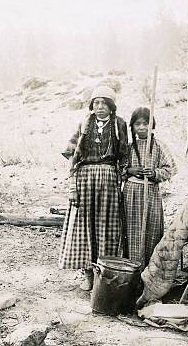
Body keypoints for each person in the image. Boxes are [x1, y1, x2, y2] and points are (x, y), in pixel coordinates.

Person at [58, 85, 128, 291]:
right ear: (91, 105)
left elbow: (124, 154)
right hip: (85, 178)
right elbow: (70, 153)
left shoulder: (119, 124)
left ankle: (103, 273)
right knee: (83, 225)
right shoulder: (84, 124)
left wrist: (121, 178)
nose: (100, 107)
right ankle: (87, 272)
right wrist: (74, 181)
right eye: (96, 103)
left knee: (106, 226)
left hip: (108, 178)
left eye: (104, 103)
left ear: (111, 107)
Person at [123, 107, 177, 267]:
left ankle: (150, 270)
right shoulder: (128, 147)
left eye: (145, 123)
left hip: (151, 194)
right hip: (131, 194)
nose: (141, 127)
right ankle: (132, 270)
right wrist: (130, 170)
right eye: (137, 124)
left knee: (151, 230)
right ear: (132, 126)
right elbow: (119, 169)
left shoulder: (159, 146)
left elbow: (171, 169)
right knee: (131, 231)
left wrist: (154, 172)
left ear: (152, 124)